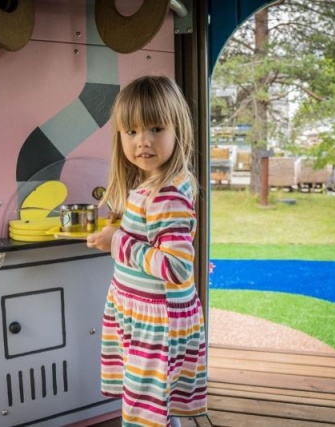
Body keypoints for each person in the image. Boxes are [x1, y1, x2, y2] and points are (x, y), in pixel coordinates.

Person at [86, 76, 207, 427]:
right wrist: (121, 229)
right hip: (140, 313)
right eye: (132, 132)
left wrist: (117, 242)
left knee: (143, 411)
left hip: (156, 322)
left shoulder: (166, 194)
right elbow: (156, 239)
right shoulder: (151, 184)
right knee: (155, 403)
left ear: (177, 130)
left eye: (156, 128)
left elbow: (176, 267)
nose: (143, 142)